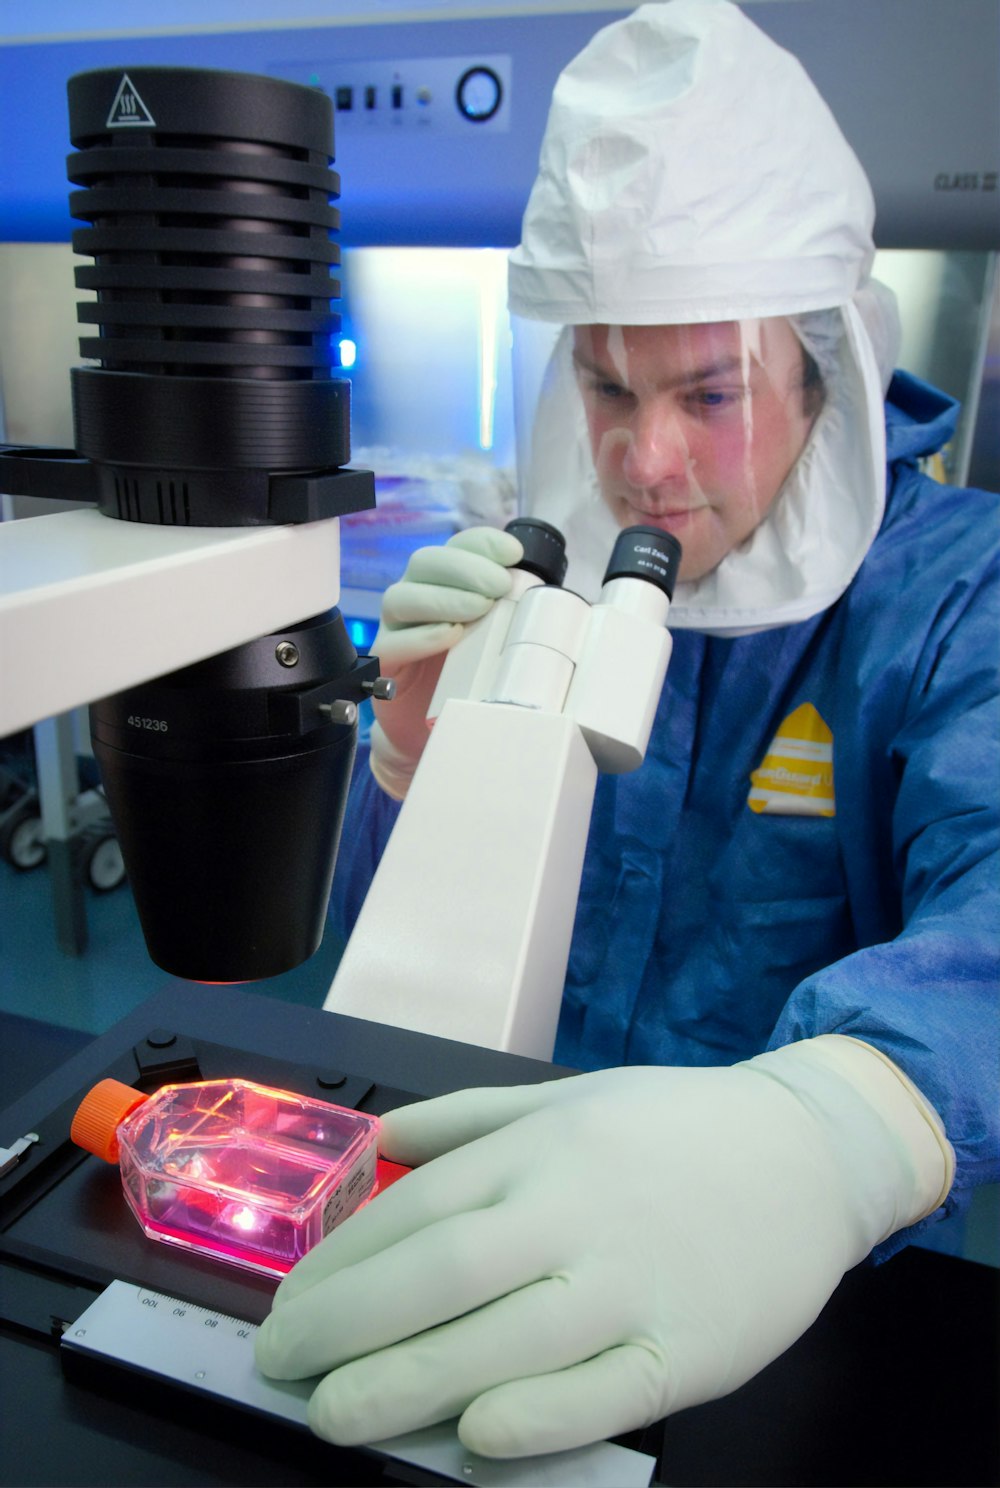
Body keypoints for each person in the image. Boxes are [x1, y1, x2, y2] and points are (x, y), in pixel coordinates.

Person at [255, 0, 999, 1462]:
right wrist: (407, 761)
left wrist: (825, 1134)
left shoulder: (954, 596)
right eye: (608, 386)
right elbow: (380, 949)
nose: (645, 464)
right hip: (477, 1220)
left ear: (820, 371)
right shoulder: (553, 567)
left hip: (782, 1316)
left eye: (709, 394)